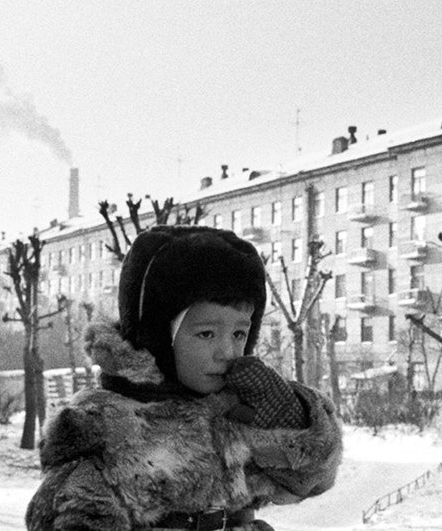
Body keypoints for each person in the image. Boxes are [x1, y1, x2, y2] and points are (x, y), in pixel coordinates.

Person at [26, 225, 343, 531]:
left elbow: (311, 482)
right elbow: (65, 515)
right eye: (206, 333)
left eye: (239, 333)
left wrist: (293, 419)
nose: (227, 351)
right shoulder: (102, 427)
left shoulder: (233, 412)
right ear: (158, 335)